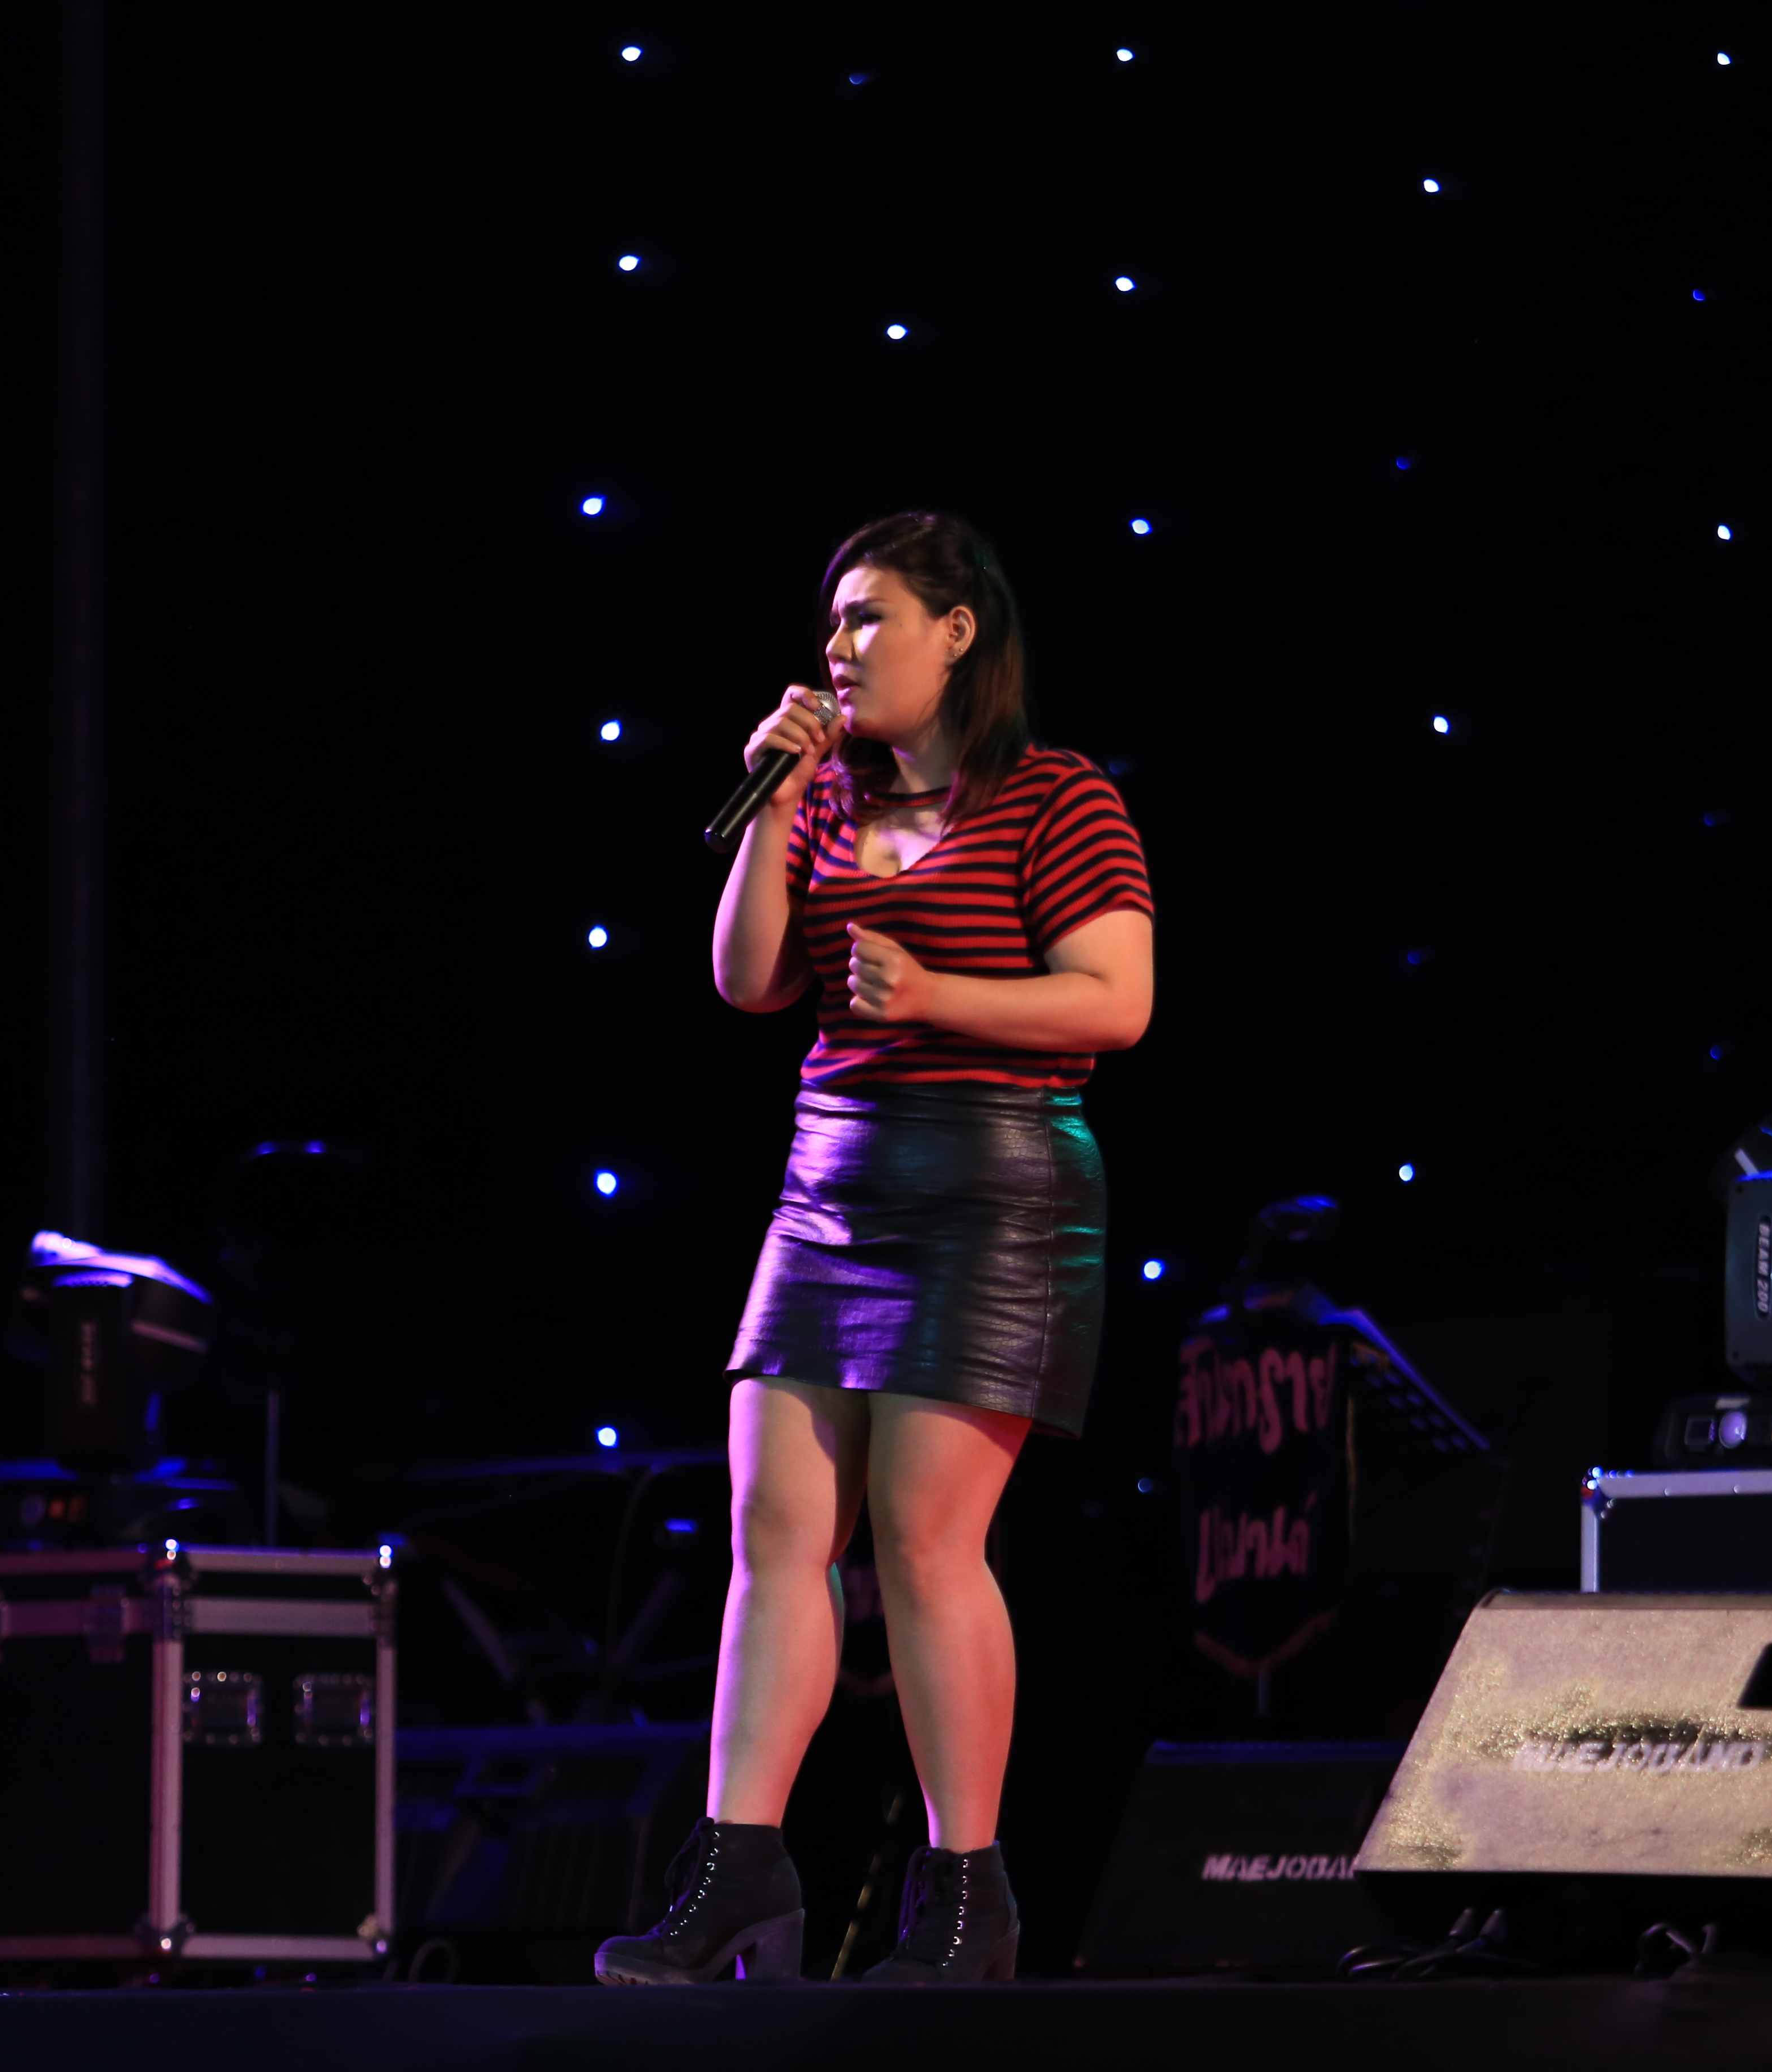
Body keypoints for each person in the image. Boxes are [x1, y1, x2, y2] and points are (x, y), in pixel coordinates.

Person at [595, 513, 1154, 1986]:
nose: (837, 648)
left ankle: (970, 1899)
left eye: (867, 617)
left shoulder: (1058, 795)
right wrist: (773, 806)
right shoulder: (825, 794)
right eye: (832, 622)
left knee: (921, 1537)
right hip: (830, 1184)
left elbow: (1115, 1002)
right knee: (774, 1527)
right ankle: (739, 1868)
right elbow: (748, 979)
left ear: (956, 632)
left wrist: (941, 993)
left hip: (994, 1186)